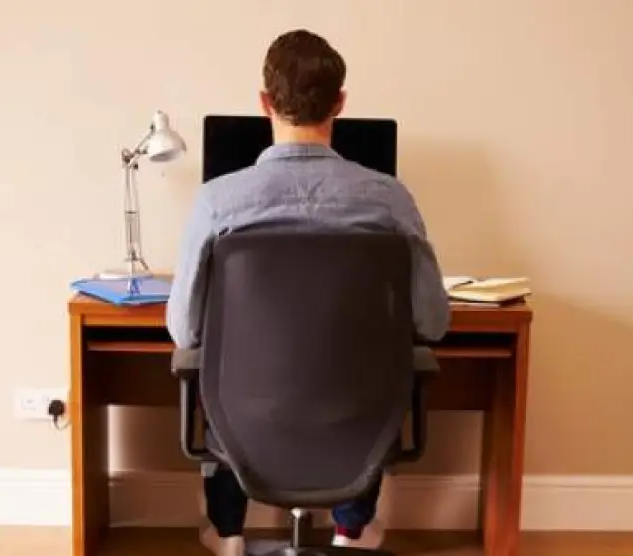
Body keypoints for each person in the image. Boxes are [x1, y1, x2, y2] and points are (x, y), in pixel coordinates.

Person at [166, 29, 450, 556]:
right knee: (364, 384)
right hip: (357, 419)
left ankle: (229, 534)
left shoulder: (216, 202)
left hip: (247, 419)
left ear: (265, 103)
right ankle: (350, 531)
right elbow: (432, 323)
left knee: (218, 374)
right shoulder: (391, 201)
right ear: (339, 103)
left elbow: (185, 330)